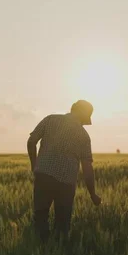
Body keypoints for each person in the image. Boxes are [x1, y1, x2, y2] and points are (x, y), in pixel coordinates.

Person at [27, 99, 102, 242]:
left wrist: (34, 165)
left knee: (40, 218)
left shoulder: (50, 119)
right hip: (66, 183)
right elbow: (87, 167)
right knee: (62, 224)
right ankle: (58, 254)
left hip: (43, 176)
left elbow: (31, 141)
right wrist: (93, 194)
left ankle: (41, 251)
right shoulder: (84, 136)